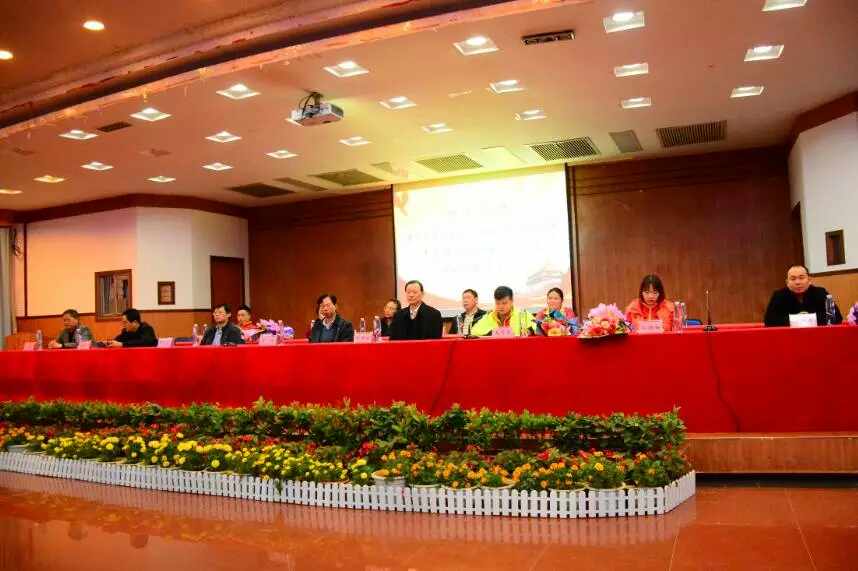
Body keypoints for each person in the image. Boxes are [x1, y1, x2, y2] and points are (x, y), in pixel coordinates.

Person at [764, 264, 842, 326]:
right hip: (788, 337)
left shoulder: (820, 292)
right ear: (787, 282)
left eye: (801, 278)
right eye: (793, 279)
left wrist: (798, 319)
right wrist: (806, 319)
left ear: (809, 280)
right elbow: (769, 321)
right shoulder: (779, 295)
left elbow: (836, 317)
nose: (797, 282)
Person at [470, 286, 536, 337]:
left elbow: (537, 328)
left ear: (511, 301)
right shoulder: (489, 316)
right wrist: (493, 333)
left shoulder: (522, 314)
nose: (500, 306)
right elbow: (474, 331)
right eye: (497, 303)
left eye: (504, 303)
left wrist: (530, 331)